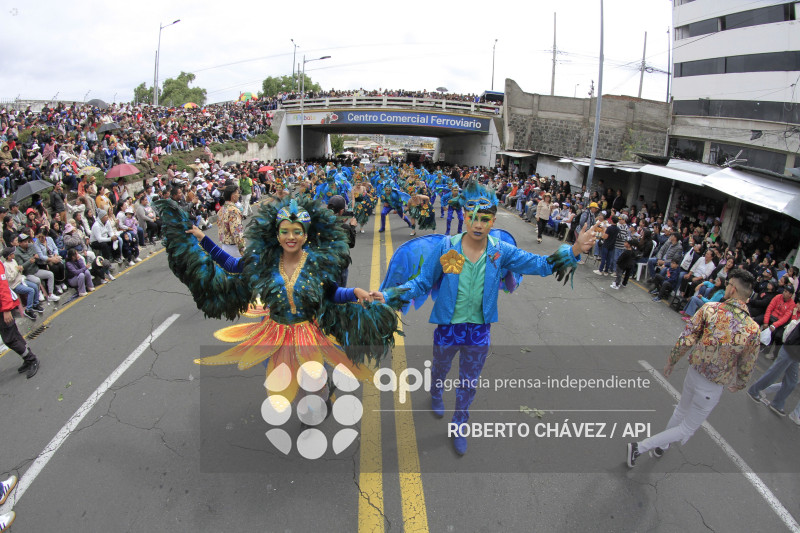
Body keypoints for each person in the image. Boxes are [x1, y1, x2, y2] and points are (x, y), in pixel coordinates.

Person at [374, 180, 596, 455]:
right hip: (447, 328)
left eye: (485, 219)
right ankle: (435, 393)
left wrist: (573, 251)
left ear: (493, 221)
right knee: (441, 370)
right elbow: (421, 283)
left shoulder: (501, 252)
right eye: (473, 218)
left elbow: (539, 265)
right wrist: (390, 295)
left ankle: (459, 424)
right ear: (465, 218)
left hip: (479, 332)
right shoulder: (446, 246)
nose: (478, 224)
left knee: (469, 382)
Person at [155, 196, 403, 413]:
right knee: (284, 378)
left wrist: (354, 292)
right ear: (277, 235)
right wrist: (203, 240)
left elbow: (331, 294)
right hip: (273, 332)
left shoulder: (316, 263)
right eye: (285, 231)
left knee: (311, 384)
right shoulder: (264, 261)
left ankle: (319, 400)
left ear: (306, 235)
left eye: (297, 231)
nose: (291, 237)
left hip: (306, 331)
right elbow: (231, 266)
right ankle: (312, 399)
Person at [627, 269, 760, 467]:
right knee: (688, 427)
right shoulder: (752, 329)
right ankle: (641, 446)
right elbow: (747, 363)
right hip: (712, 385)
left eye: (728, 284)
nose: (725, 287)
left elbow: (687, 338)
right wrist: (740, 383)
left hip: (694, 372)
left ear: (732, 289)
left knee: (681, 410)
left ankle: (662, 446)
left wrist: (672, 360)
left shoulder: (710, 309)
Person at [0, 248, 40, 379]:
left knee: (10, 339)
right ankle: (28, 357)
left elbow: (3, 288)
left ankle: (31, 359)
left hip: (3, 308)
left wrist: (6, 310)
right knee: (15, 335)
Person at [2, 246, 42, 320]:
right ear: (9, 256)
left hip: (21, 280)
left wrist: (20, 269)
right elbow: (10, 279)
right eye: (12, 253)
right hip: (15, 285)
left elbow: (19, 271)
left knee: (35, 286)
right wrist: (17, 270)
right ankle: (28, 309)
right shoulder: (5, 265)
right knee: (31, 290)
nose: (14, 254)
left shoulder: (14, 261)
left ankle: (35, 304)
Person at [217, 185, 245, 257]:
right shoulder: (233, 211)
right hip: (234, 248)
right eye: (237, 193)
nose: (239, 195)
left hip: (224, 246)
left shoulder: (221, 209)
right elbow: (236, 233)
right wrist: (242, 250)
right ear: (233, 196)